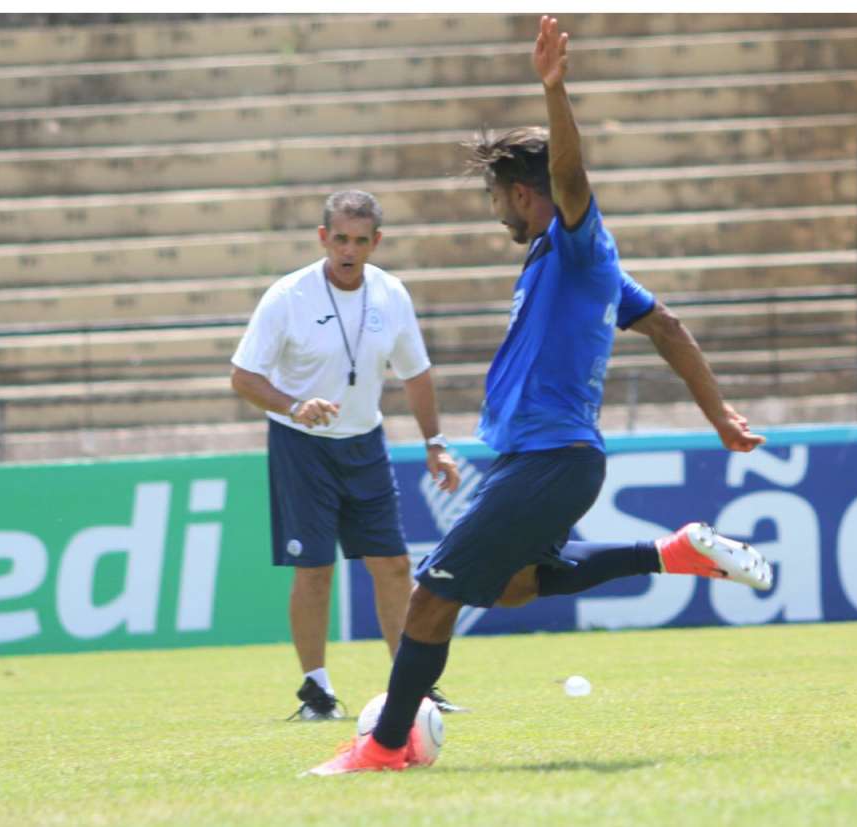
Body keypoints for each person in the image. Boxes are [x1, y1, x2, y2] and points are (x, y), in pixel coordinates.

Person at [308, 16, 773, 774]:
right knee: (519, 585)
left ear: (523, 194)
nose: (496, 214)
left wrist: (555, 92)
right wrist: (717, 413)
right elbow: (669, 328)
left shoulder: (579, 239)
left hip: (552, 458)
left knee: (430, 598)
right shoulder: (572, 269)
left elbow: (573, 179)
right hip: (542, 457)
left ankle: (385, 744)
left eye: (498, 198)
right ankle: (674, 551)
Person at [231, 189, 466, 720]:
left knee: (394, 564)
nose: (349, 250)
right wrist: (294, 406)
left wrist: (435, 442)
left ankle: (414, 686)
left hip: (366, 442)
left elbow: (416, 373)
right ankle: (316, 690)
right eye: (340, 238)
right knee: (314, 569)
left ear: (376, 243)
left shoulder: (391, 294)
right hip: (301, 446)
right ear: (322, 238)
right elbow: (243, 376)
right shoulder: (288, 295)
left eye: (361, 241)